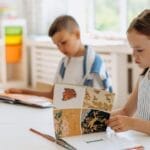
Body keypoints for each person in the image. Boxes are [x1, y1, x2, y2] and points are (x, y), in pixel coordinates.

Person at [5, 15, 112, 100]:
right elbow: (54, 95)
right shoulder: (64, 63)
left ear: (77, 34)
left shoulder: (95, 64)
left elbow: (100, 101)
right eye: (57, 45)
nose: (61, 48)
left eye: (64, 42)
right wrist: (23, 92)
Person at [108, 9, 150, 135]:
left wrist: (132, 123)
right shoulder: (144, 76)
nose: (134, 55)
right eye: (132, 49)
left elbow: (130, 120)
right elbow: (126, 111)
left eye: (139, 50)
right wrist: (98, 118)